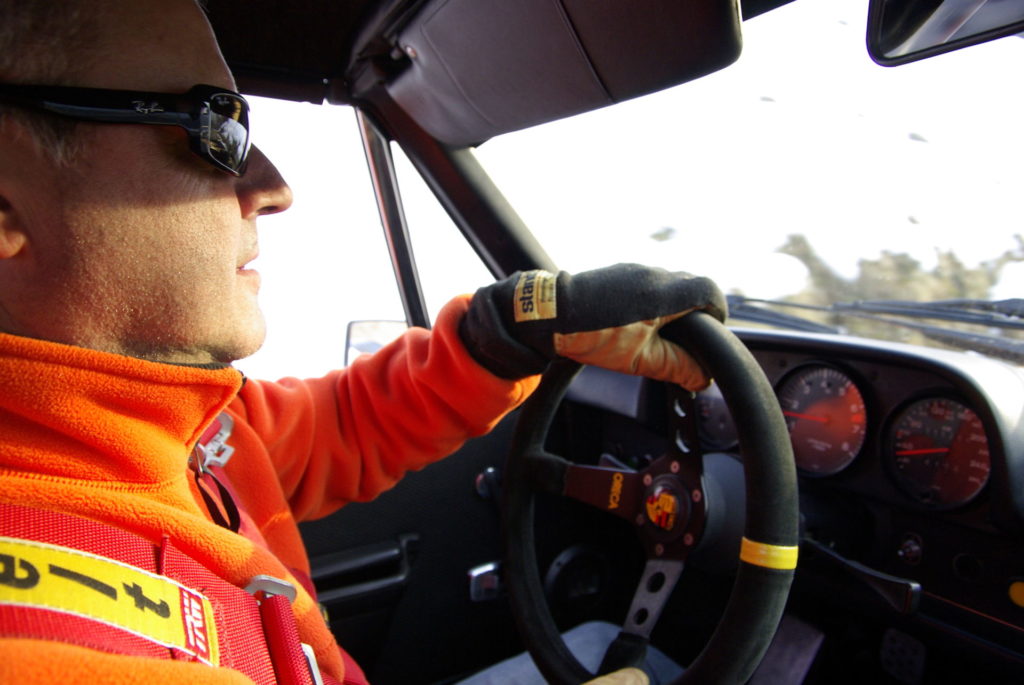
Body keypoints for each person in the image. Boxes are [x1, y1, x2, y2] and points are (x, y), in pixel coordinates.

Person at [0, 1, 725, 683]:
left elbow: (342, 425)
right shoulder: (44, 642)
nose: (274, 186)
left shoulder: (185, 424)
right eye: (209, 127)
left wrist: (504, 332)